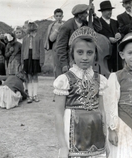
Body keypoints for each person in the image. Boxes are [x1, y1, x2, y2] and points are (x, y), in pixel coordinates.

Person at [54, 26, 108, 158]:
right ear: (72, 54)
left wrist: (106, 141)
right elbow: (58, 114)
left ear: (95, 54)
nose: (85, 57)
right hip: (73, 132)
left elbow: (102, 111)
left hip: (96, 134)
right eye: (80, 52)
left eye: (89, 53)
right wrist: (62, 145)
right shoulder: (64, 80)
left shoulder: (100, 79)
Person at [56, 3, 102, 74]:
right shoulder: (67, 26)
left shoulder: (86, 24)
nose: (87, 15)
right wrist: (64, 64)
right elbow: (61, 47)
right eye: (85, 13)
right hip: (71, 60)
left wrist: (94, 14)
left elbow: (98, 28)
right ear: (79, 15)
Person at [21, 21, 45, 103]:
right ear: (27, 30)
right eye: (29, 30)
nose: (31, 32)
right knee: (28, 77)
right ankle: (30, 96)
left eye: (33, 30)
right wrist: (22, 61)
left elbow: (42, 50)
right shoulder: (25, 38)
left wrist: (42, 60)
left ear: (35, 29)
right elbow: (22, 50)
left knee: (35, 76)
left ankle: (35, 95)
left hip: (35, 58)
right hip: (27, 58)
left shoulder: (39, 37)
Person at [98, 1, 122, 72]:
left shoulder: (115, 22)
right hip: (104, 54)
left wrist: (119, 34)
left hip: (116, 54)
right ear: (102, 12)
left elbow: (121, 31)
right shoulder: (98, 23)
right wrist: (108, 39)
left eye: (110, 10)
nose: (110, 12)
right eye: (108, 10)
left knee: (118, 72)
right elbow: (97, 35)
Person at [44, 8, 64, 78]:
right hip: (55, 47)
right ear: (54, 16)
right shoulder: (51, 26)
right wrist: (57, 30)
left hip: (64, 47)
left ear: (62, 16)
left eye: (60, 16)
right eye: (57, 16)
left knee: (65, 65)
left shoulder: (65, 25)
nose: (58, 17)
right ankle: (57, 83)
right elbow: (51, 39)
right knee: (56, 66)